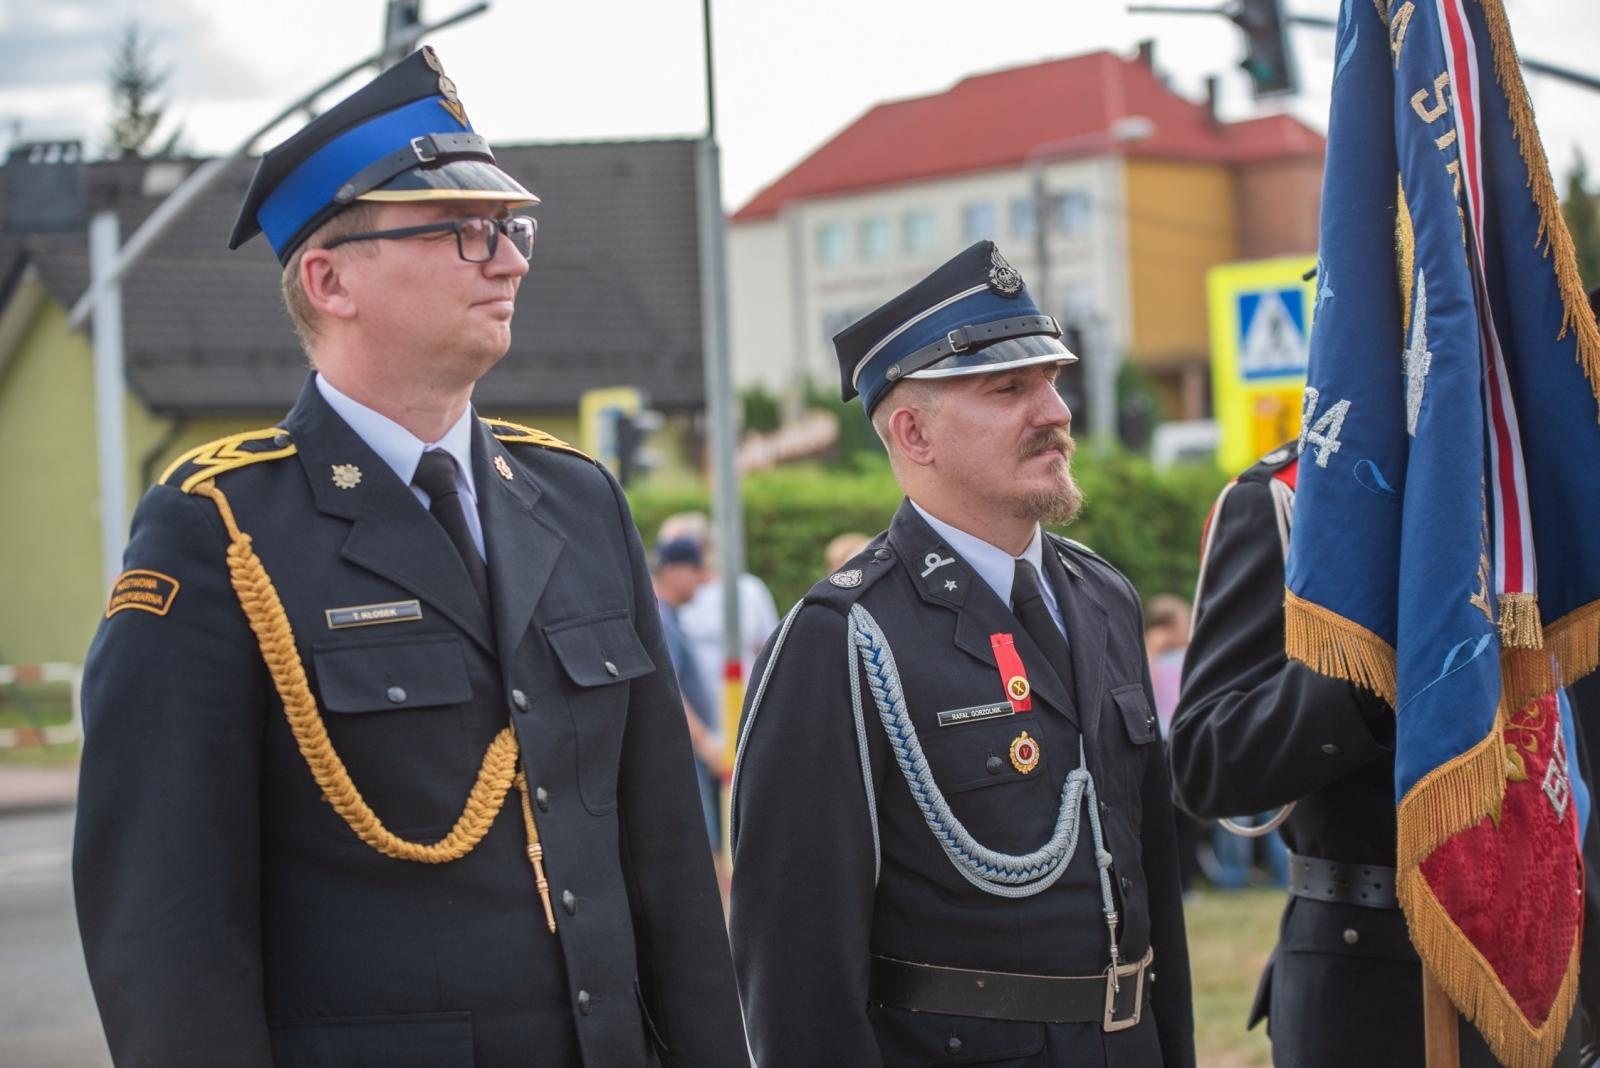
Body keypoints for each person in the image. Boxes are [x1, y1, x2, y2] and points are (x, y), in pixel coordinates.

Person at [72, 49, 745, 1068]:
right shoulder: (219, 531)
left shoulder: (577, 500)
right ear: (330, 279)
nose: (509, 261)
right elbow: (167, 929)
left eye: (512, 228)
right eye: (461, 230)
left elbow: (668, 864)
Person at [729, 241, 1195, 1066]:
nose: (1055, 412)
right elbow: (798, 974)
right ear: (914, 433)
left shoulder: (1104, 597)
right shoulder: (841, 636)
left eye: (1052, 380)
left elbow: (1154, 886)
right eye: (1009, 389)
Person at [1168, 439, 1585, 1066]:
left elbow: (1569, 743)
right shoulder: (1289, 496)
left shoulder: (1524, 481)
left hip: (1550, 972)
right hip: (1376, 983)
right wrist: (1374, 669)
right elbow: (1207, 760)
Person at [652, 537, 725, 849]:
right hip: (685, 754)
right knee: (702, 847)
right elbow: (670, 690)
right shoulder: (661, 620)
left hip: (687, 752)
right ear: (673, 571)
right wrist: (705, 742)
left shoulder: (669, 617)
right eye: (697, 569)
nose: (703, 578)